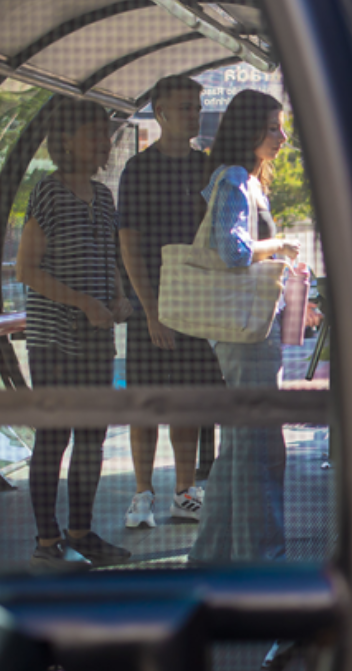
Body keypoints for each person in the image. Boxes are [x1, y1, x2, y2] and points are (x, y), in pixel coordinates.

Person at [15, 100, 134, 570]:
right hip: (55, 340)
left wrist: (120, 297)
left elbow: (110, 261)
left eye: (106, 136)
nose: (104, 144)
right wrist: (83, 302)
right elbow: (26, 269)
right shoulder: (48, 192)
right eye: (95, 135)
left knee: (92, 437)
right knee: (54, 437)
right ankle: (46, 542)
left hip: (96, 342)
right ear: (66, 140)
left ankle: (80, 532)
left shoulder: (103, 197)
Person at [188, 90, 300, 563]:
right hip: (246, 332)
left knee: (238, 448)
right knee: (260, 447)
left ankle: (210, 559)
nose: (282, 137)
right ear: (249, 128)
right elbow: (233, 251)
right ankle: (262, 563)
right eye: (273, 127)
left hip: (243, 329)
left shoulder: (244, 179)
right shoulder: (235, 178)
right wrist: (280, 245)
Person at [117, 75, 225, 529]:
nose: (193, 114)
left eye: (196, 106)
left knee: (187, 402)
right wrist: (149, 310)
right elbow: (129, 243)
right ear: (159, 113)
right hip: (152, 308)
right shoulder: (139, 169)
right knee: (146, 403)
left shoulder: (207, 168)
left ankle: (185, 492)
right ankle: (142, 493)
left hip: (197, 309)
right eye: (184, 107)